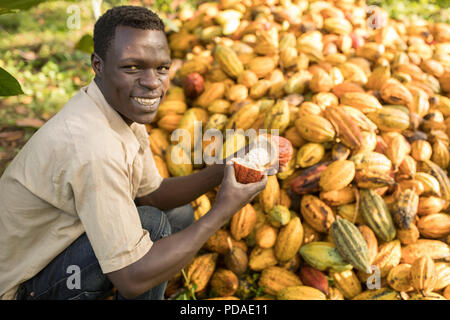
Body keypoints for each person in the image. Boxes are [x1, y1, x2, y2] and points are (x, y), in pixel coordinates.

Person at [0, 6, 267, 300]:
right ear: (98, 65)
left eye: (162, 68)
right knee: (152, 225)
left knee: (175, 214)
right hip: (21, 288)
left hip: (55, 251)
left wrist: (224, 168)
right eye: (132, 67)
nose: (153, 82)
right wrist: (222, 211)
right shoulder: (93, 146)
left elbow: (151, 194)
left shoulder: (118, 108)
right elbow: (130, 278)